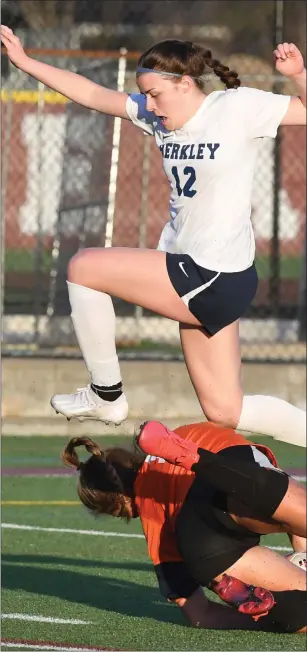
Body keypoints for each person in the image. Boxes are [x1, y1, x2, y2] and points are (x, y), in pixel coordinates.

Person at [2, 26, 306, 446]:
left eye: (155, 94)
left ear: (185, 83)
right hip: (212, 279)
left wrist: (299, 74)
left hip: (211, 273)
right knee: (224, 409)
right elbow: (91, 94)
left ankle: (106, 395)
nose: (148, 103)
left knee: (84, 266)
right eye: (144, 94)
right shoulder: (158, 116)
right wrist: (25, 61)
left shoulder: (236, 108)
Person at [61, 419, 307, 632]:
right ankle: (195, 458)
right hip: (232, 475)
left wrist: (263, 621)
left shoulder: (151, 515)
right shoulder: (188, 431)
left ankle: (277, 607)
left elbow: (199, 615)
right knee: (252, 489)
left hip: (205, 543)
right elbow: (285, 509)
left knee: (300, 617)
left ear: (119, 501)